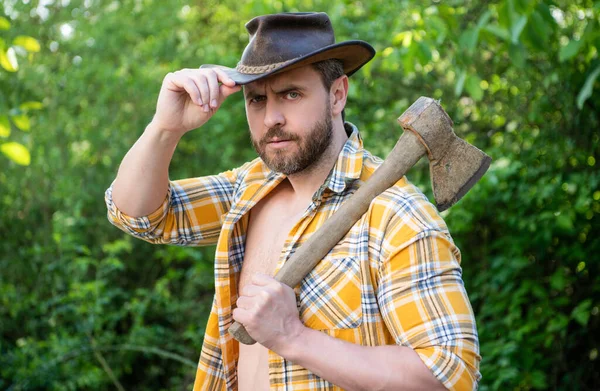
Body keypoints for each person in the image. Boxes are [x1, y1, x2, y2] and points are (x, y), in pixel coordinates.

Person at [105, 12, 481, 391]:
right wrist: (165, 128)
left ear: (337, 94)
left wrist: (292, 337)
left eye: (291, 94)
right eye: (256, 100)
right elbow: (141, 215)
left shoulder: (397, 215)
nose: (271, 118)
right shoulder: (251, 187)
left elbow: (447, 376)